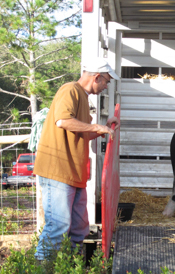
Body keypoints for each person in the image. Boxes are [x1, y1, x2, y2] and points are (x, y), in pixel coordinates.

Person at [33, 57, 121, 260]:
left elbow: (83, 132)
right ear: (96, 77)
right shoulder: (70, 89)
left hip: (74, 174)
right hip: (58, 170)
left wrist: (104, 128)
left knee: (79, 229)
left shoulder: (83, 97)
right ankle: (38, 267)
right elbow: (63, 121)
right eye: (106, 81)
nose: (106, 86)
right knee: (58, 227)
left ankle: (72, 266)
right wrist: (96, 127)